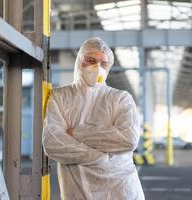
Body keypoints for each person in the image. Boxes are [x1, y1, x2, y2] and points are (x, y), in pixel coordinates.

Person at [42, 37, 145, 200]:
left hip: (122, 192)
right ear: (79, 62)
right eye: (91, 60)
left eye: (103, 63)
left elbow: (128, 139)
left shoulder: (120, 99)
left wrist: (77, 133)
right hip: (78, 193)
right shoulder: (59, 97)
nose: (97, 67)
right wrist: (101, 157)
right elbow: (53, 144)